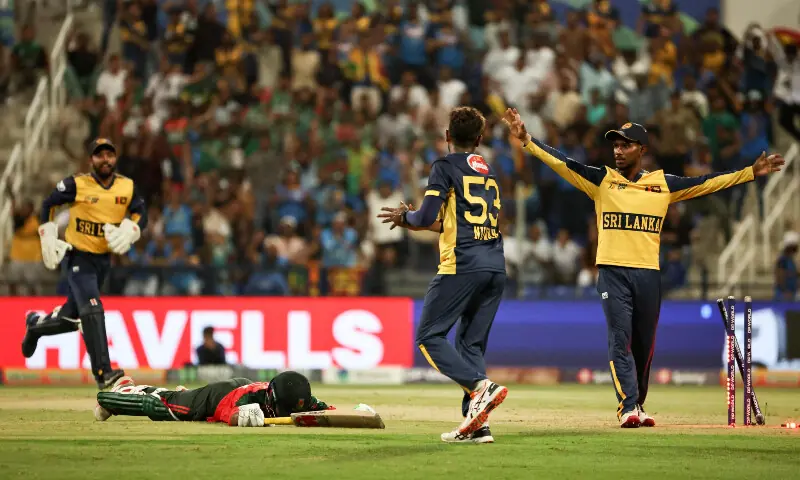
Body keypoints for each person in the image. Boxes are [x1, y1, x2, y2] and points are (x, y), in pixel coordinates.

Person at [503, 109, 784, 428]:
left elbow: (706, 183)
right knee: (619, 338)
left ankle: (637, 403)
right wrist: (526, 140)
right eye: (616, 146)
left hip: (648, 274)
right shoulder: (601, 181)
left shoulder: (661, 184)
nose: (618, 151)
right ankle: (628, 406)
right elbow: (563, 164)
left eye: (626, 145)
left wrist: (750, 172)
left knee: (644, 345)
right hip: (612, 272)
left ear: (642, 150)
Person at [378, 107, 508, 444]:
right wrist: (413, 219)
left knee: (429, 337)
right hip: (495, 265)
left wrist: (407, 216)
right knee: (470, 344)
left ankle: (482, 387)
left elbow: (424, 219)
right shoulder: (487, 171)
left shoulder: (444, 166)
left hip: (462, 264)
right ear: (479, 140)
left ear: (448, 137)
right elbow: (450, 222)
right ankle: (477, 425)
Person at [21, 139, 147, 390]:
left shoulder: (126, 186)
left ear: (115, 158)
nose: (105, 160)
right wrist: (47, 233)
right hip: (78, 257)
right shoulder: (77, 184)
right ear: (91, 160)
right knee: (92, 307)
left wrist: (133, 227)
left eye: (109, 155)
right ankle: (103, 372)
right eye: (99, 156)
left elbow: (141, 211)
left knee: (72, 317)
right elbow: (49, 204)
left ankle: (35, 325)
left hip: (103, 260)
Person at [94, 371, 331, 426]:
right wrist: (241, 416)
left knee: (182, 398)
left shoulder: (299, 399)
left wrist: (359, 412)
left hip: (239, 388)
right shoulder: (249, 399)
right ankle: (121, 392)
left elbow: (328, 410)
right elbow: (228, 413)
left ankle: (185, 394)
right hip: (221, 396)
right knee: (167, 408)